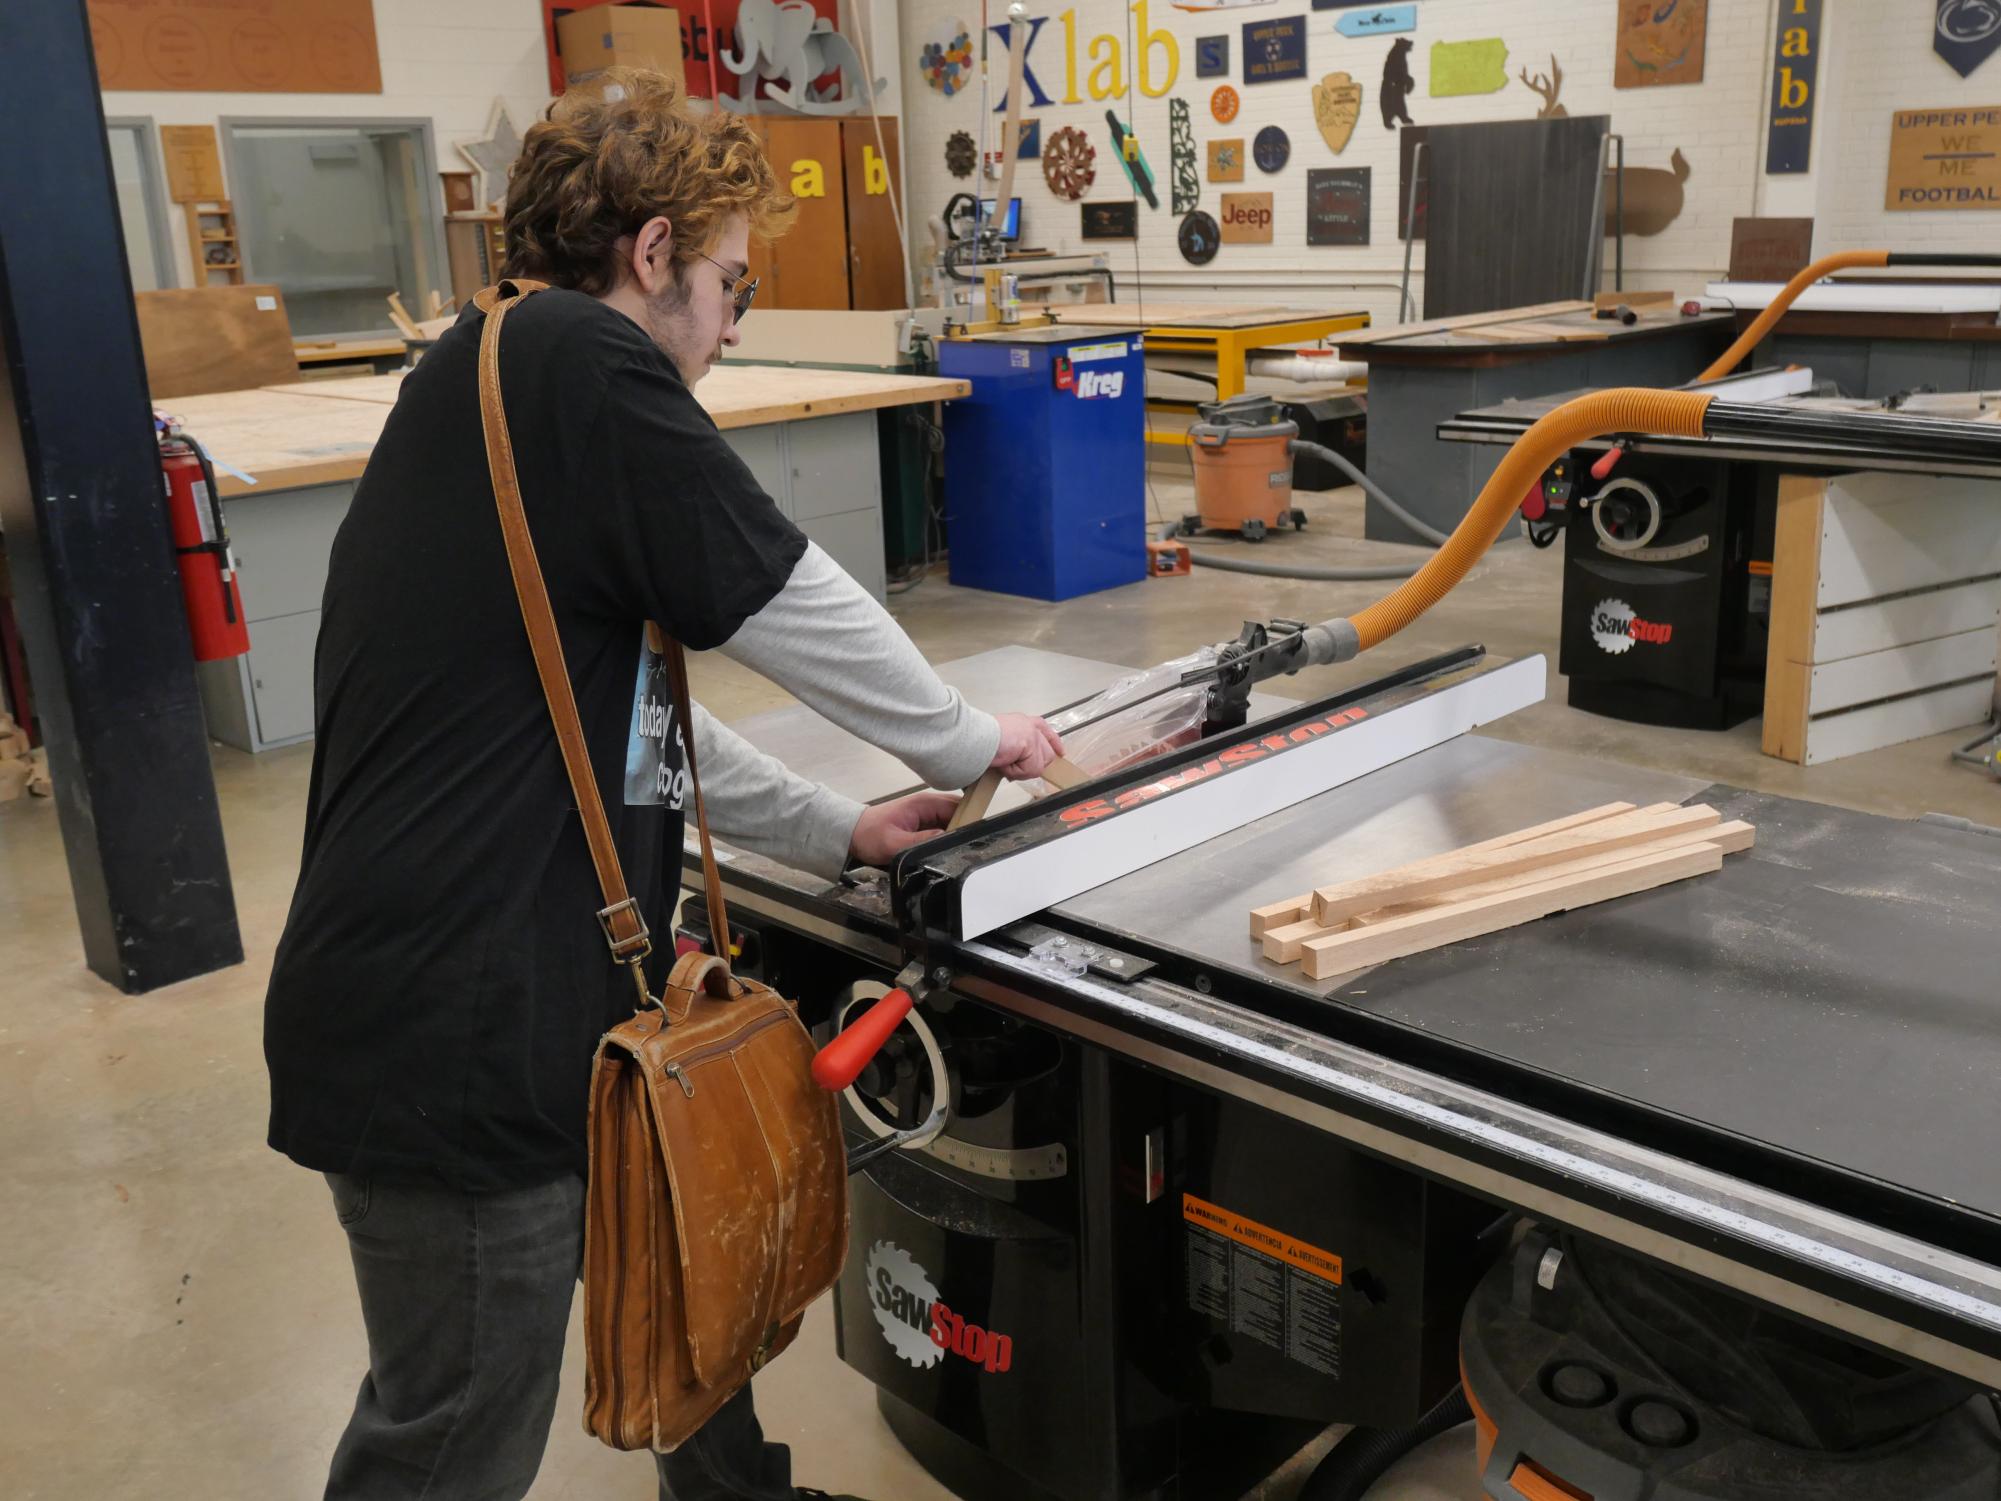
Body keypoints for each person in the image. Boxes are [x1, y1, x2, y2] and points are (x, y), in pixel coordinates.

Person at [263, 68, 1062, 1501]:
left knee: (684, 1284)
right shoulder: (578, 359)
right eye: (733, 286)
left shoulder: (495, 369)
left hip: (510, 1006)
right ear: (652, 258)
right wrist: (966, 742)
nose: (731, 325)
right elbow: (780, 586)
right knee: (448, 1435)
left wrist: (840, 825)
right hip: (453, 1038)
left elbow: (625, 723)